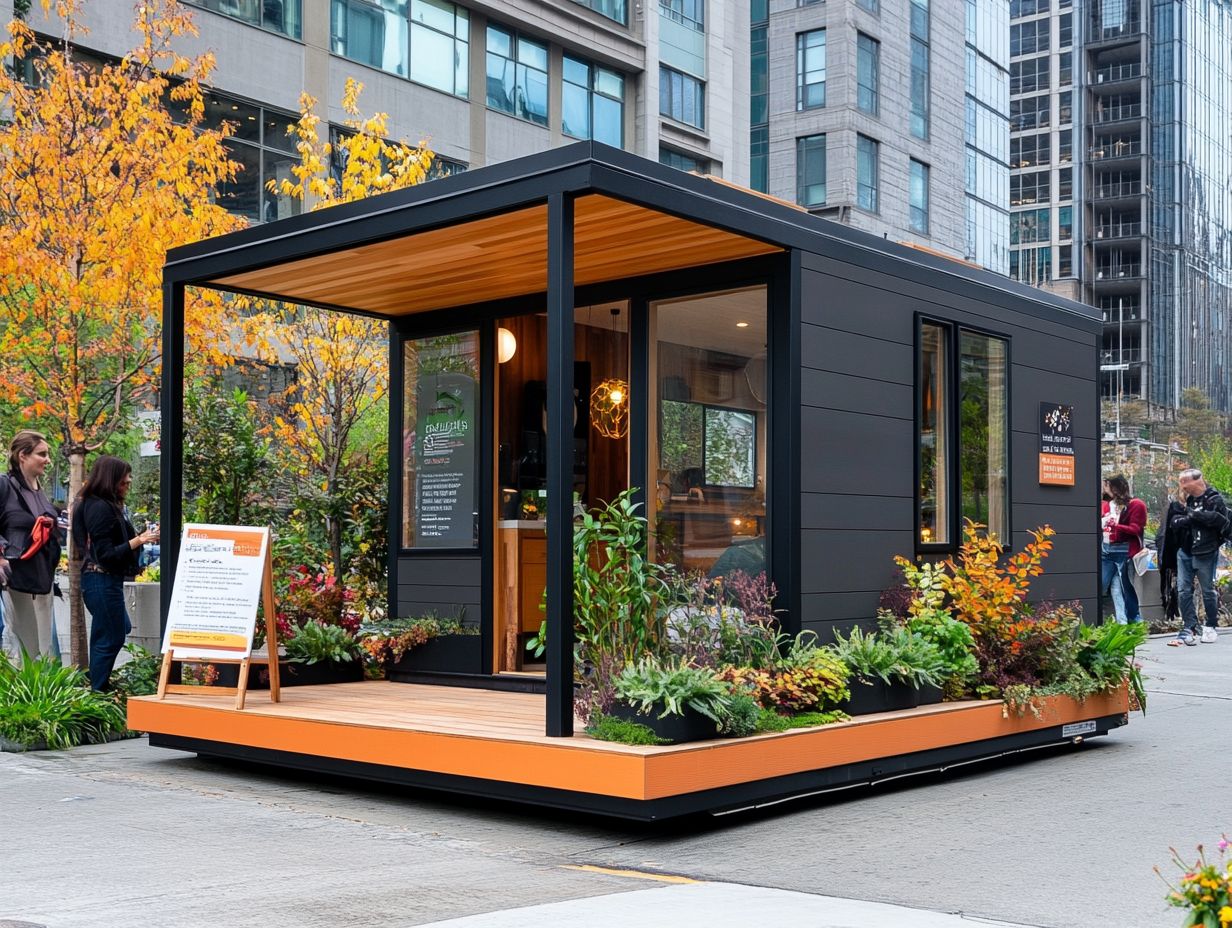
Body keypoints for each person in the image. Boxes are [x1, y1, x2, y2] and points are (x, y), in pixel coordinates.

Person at [72, 455, 159, 690]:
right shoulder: (100, 507)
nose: (128, 485)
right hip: (101, 579)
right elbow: (106, 553)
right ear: (111, 481)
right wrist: (139, 540)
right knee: (112, 636)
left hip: (104, 580)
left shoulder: (100, 505)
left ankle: (97, 685)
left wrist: (140, 538)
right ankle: (98, 690)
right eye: (124, 482)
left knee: (111, 631)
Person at [0, 431, 62, 658]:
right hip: (16, 580)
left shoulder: (39, 492)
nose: (47, 460)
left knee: (42, 652)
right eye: (42, 454)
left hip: (43, 580)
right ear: (22, 456)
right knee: (23, 650)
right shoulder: (5, 486)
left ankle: (38, 693)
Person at [1165, 467, 1228, 647]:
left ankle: (1210, 625)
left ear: (1197, 481)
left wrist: (1193, 517)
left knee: (1207, 589)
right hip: (1185, 550)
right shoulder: (1189, 500)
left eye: (1184, 482)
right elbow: (1177, 522)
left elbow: (1218, 521)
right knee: (1183, 589)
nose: (1182, 486)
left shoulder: (1214, 499)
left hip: (1206, 551)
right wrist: (1192, 518)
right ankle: (1190, 626)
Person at [1100, 475, 1146, 624]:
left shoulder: (1135, 504)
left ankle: (1130, 620)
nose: (1104, 489)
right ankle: (1121, 621)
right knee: (1104, 586)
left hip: (1125, 552)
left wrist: (1115, 526)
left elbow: (1135, 529)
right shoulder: (1105, 505)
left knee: (1122, 588)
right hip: (1107, 550)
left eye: (1106, 486)